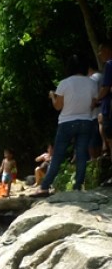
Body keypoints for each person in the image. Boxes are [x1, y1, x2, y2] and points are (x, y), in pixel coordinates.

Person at [35, 54, 97, 196]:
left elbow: (58, 106)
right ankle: (77, 186)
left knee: (57, 155)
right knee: (82, 155)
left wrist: (52, 96)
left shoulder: (64, 83)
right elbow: (93, 104)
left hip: (67, 122)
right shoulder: (92, 83)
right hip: (86, 121)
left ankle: (44, 186)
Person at [96, 43, 112, 155]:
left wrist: (96, 99)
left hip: (109, 107)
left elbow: (105, 87)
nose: (99, 54)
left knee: (111, 140)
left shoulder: (109, 64)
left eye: (100, 52)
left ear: (107, 51)